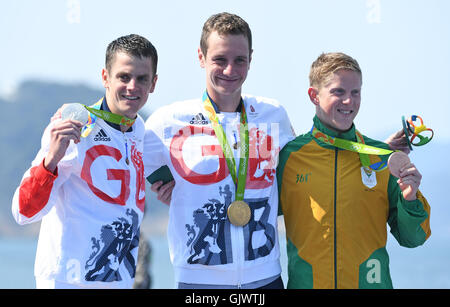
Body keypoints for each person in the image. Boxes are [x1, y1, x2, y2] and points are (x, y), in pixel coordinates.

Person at [144, 12, 295, 288]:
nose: (229, 70)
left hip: (265, 278)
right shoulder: (168, 120)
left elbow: (302, 167)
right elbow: (126, 147)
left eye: (240, 60)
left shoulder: (273, 115)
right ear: (201, 58)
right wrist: (85, 118)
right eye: (219, 60)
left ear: (251, 58)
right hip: (198, 282)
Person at [11, 34, 158, 288]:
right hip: (68, 281)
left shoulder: (139, 128)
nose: (133, 86)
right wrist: (51, 160)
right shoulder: (75, 125)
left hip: (119, 279)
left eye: (141, 78)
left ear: (153, 83)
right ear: (105, 77)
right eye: (124, 76)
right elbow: (23, 213)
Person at [276, 52, 431, 289]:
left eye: (355, 92)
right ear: (314, 95)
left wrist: (410, 200)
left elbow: (414, 238)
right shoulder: (289, 157)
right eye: (338, 92)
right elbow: (256, 218)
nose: (349, 101)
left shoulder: (381, 157)